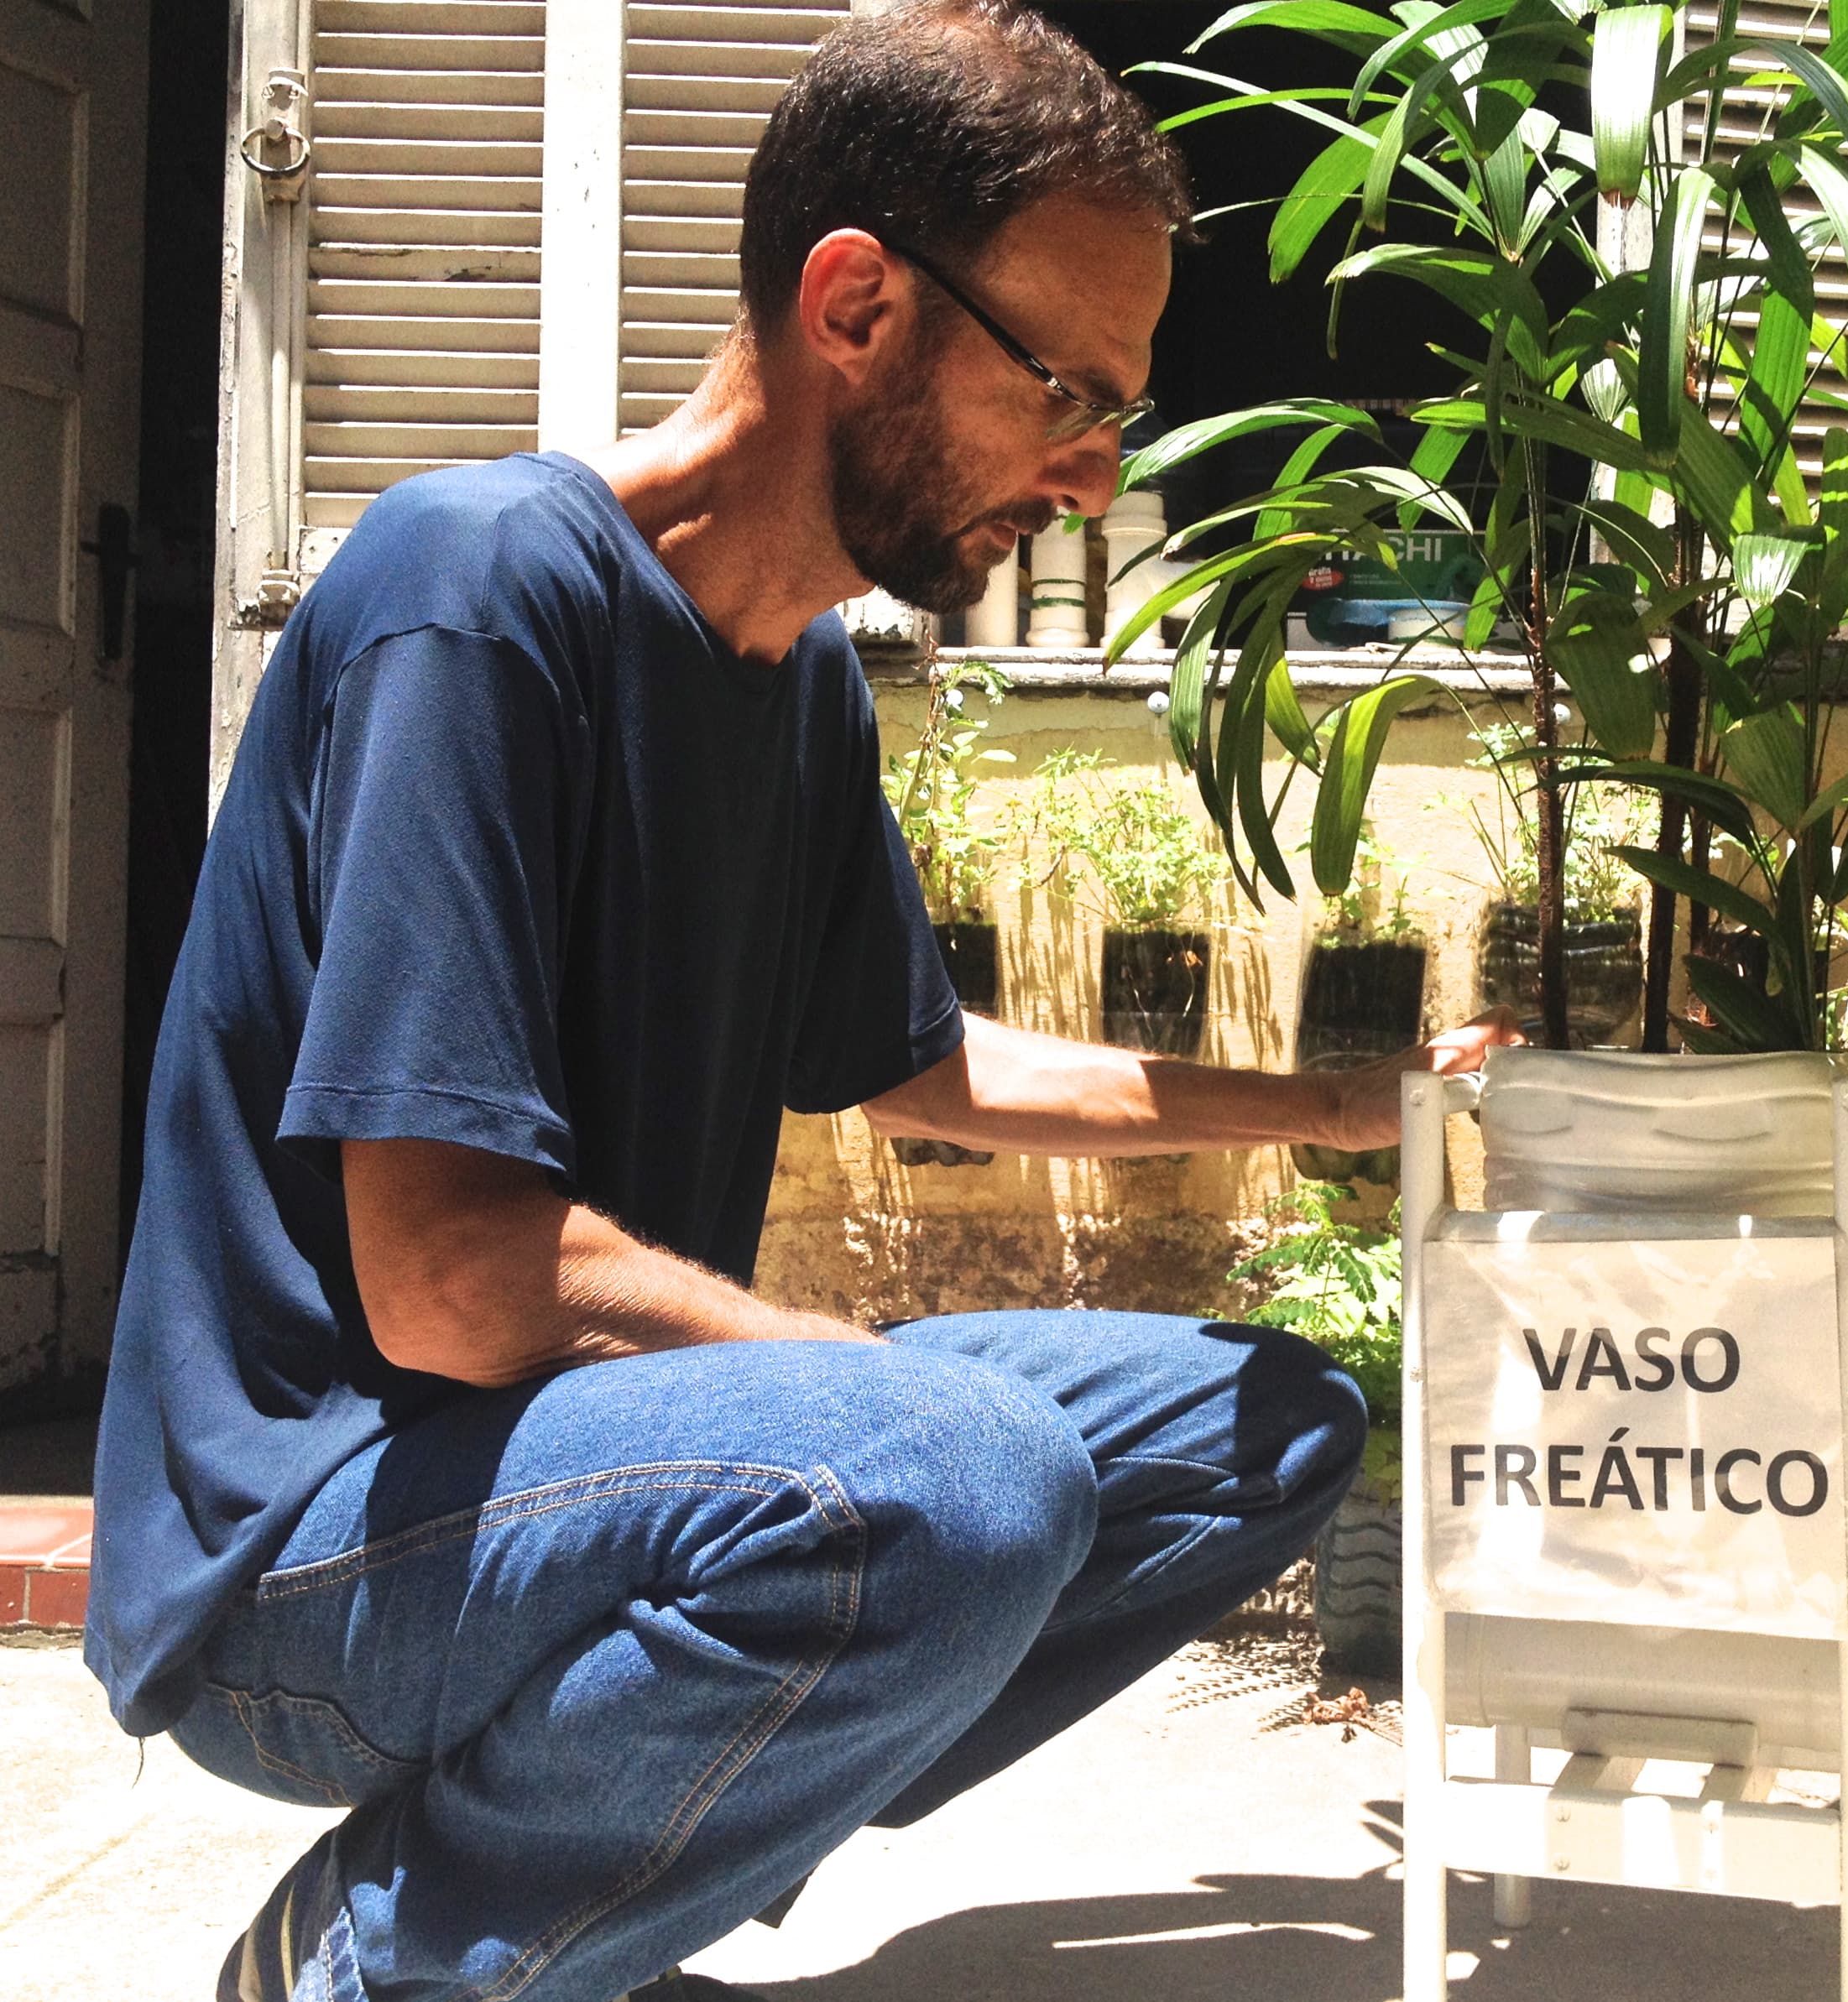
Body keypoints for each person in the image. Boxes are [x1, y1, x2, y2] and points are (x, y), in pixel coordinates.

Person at [88, 6, 1515, 1996]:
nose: (1098, 479)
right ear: (856, 299)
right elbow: (452, 1286)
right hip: (310, 1535)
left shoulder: (798, 679)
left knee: (1259, 1423)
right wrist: (869, 1391)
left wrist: (1347, 1108)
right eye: (1064, 393)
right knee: (957, 1479)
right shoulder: (475, 592)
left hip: (555, 1471)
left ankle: (617, 1863)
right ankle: (388, 1955)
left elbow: (922, 1062)